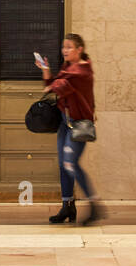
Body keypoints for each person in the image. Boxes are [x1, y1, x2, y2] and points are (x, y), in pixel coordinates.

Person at [36, 33, 102, 226]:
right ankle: (68, 206)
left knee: (70, 163)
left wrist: (51, 84)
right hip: (66, 121)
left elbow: (58, 86)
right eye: (63, 47)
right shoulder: (68, 68)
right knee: (63, 164)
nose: (64, 50)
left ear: (79, 49)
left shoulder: (82, 72)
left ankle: (94, 203)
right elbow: (52, 84)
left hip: (79, 123)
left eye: (69, 47)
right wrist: (46, 70)